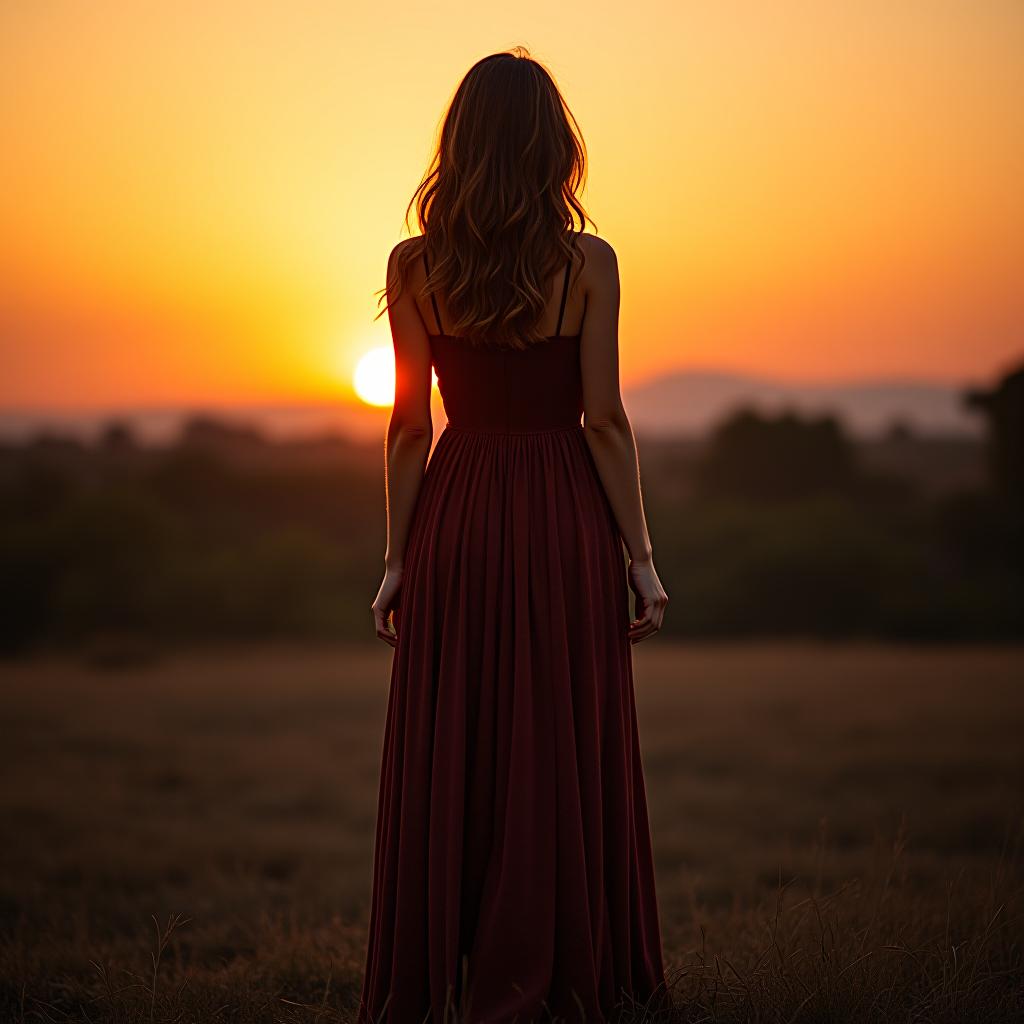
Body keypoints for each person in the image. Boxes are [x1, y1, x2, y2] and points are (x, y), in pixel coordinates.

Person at [359, 47, 669, 1024]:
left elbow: (410, 425)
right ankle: (571, 971)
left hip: (457, 512)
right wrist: (642, 560)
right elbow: (604, 421)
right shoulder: (588, 263)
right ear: (554, 147)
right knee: (556, 738)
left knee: (458, 741)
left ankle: (447, 981)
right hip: (560, 515)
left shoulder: (415, 265)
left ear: (458, 146)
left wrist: (398, 558)